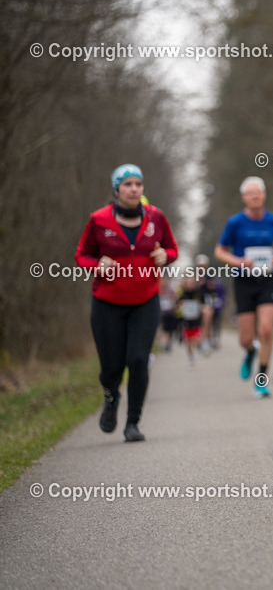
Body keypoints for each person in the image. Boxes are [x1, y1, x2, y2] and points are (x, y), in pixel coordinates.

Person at [75, 164, 179, 442]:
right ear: (117, 190)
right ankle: (111, 399)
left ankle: (133, 422)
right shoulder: (99, 220)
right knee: (111, 367)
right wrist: (98, 265)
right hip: (107, 303)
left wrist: (165, 257)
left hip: (145, 301)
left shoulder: (156, 217)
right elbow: (82, 256)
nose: (134, 189)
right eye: (128, 184)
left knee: (137, 359)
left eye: (138, 184)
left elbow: (172, 248)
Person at [214, 177, 273, 398]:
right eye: (250, 193)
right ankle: (250, 352)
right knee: (246, 339)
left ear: (264, 195)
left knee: (266, 330)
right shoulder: (235, 223)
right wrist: (238, 262)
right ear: (244, 198)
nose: (255, 196)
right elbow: (219, 251)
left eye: (258, 192)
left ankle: (261, 380)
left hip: (267, 279)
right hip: (243, 281)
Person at [194, 253, 225, 351]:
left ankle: (206, 340)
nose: (202, 268)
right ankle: (197, 339)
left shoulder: (211, 277)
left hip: (208, 301)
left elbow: (215, 291)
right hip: (195, 301)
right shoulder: (193, 276)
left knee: (207, 319)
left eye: (203, 266)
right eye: (200, 266)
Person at [177, 275, 205, 365]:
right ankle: (190, 357)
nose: (189, 285)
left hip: (196, 320)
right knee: (188, 341)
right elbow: (177, 308)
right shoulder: (183, 295)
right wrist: (181, 307)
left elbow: (203, 305)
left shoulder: (199, 294)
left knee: (196, 339)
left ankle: (199, 346)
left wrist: (201, 308)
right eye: (188, 283)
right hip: (186, 321)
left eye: (191, 283)